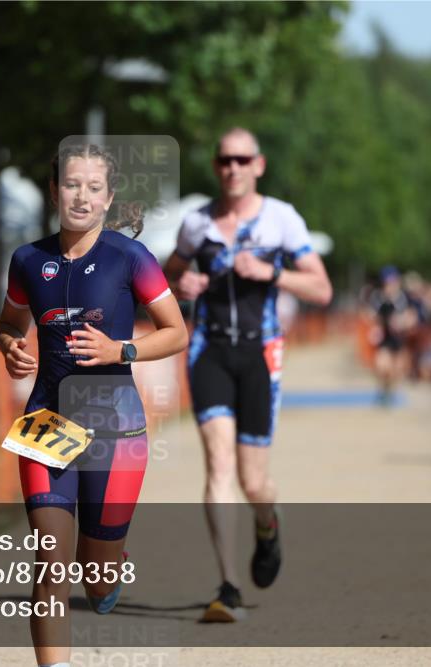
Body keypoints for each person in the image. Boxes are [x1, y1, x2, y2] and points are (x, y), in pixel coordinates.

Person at [0, 143, 188, 667]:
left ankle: (108, 562)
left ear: (108, 197)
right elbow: (9, 324)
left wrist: (119, 350)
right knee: (50, 561)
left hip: (116, 430)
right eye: (71, 184)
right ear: (54, 190)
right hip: (46, 422)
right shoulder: (27, 260)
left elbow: (176, 333)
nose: (81, 196)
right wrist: (10, 346)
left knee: (96, 579)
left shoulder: (130, 258)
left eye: (93, 187)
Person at [163, 128, 332, 622]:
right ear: (216, 166)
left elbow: (321, 289)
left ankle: (267, 521)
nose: (232, 168)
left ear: (258, 165)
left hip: (260, 353)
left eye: (242, 159)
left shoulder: (281, 219)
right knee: (218, 466)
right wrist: (180, 282)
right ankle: (228, 586)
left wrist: (272, 273)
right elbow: (163, 277)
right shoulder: (197, 223)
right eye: (224, 160)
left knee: (253, 481)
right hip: (209, 351)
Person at [368, 266, 417, 404]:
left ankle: (388, 392)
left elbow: (412, 317)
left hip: (399, 339)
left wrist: (402, 322)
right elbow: (372, 316)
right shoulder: (378, 298)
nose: (390, 286)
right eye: (387, 283)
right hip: (385, 339)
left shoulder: (404, 298)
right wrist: (375, 328)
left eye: (393, 282)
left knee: (395, 371)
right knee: (383, 366)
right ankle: (383, 390)